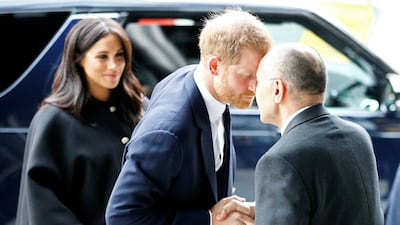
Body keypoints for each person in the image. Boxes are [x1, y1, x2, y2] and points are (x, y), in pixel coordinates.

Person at [105, 8, 272, 225]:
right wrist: (210, 220)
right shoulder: (167, 133)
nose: (255, 87)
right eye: (248, 76)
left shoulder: (211, 85)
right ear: (215, 66)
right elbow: (122, 216)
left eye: (259, 76)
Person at [15, 17, 145, 225]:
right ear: (79, 58)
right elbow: (43, 205)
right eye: (102, 56)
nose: (113, 65)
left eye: (119, 56)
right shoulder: (53, 120)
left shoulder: (140, 109)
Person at [254, 42, 384, 225]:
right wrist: (265, 209)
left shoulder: (280, 160)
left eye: (258, 81)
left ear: (277, 89)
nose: (254, 89)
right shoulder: (358, 136)